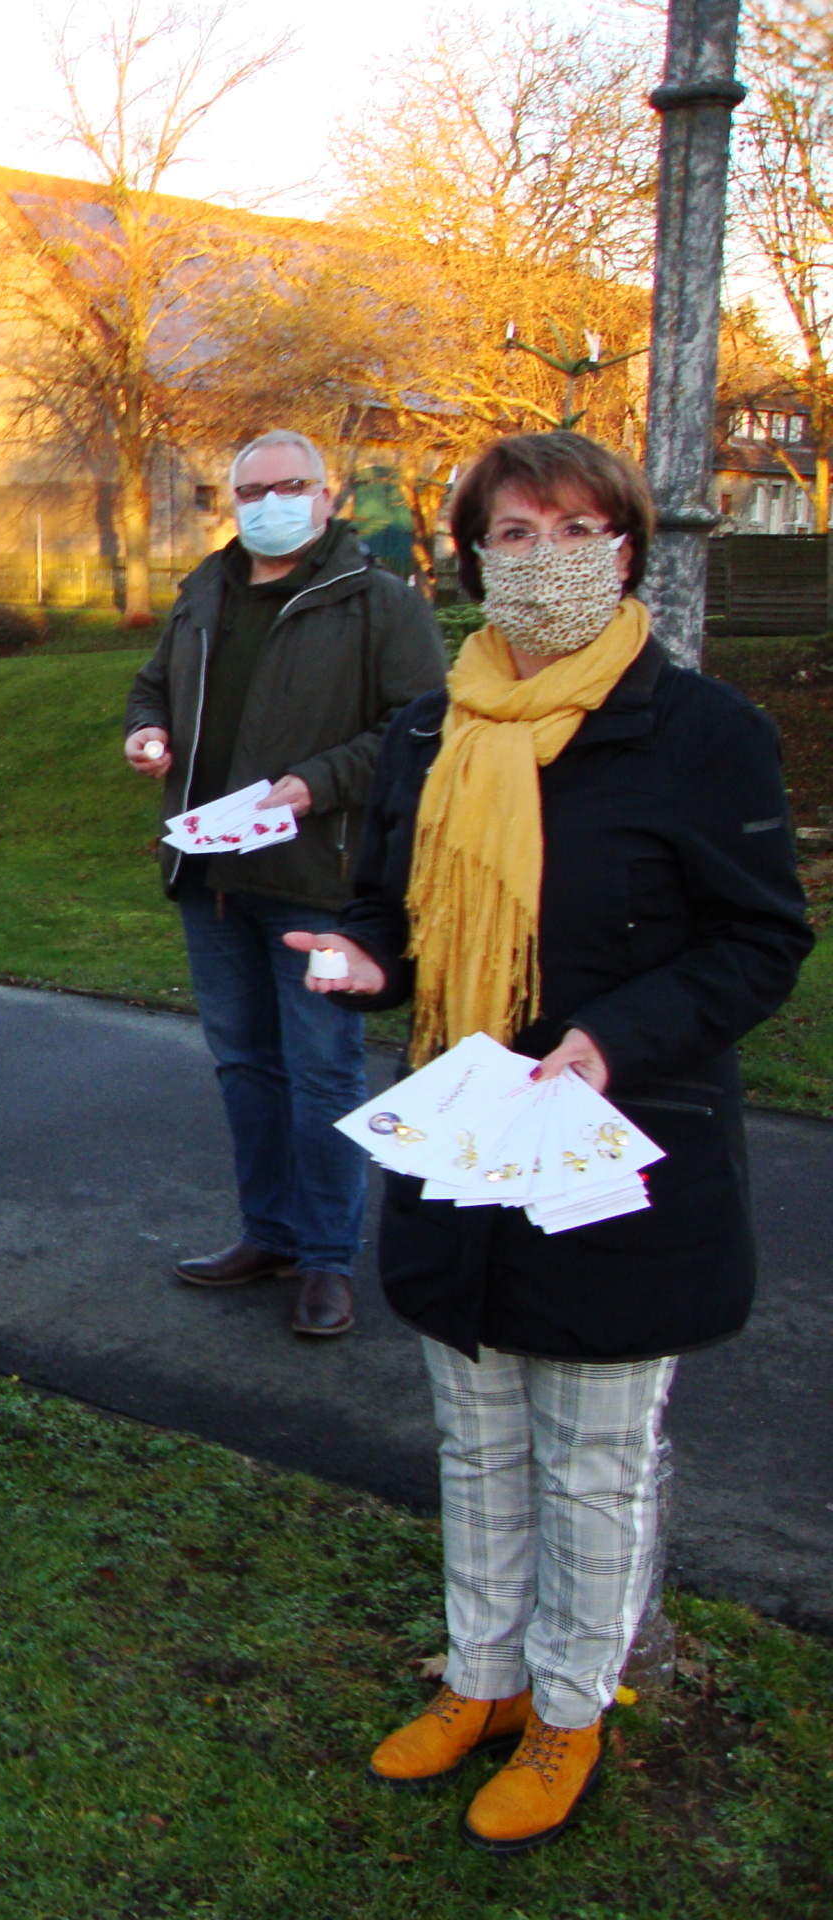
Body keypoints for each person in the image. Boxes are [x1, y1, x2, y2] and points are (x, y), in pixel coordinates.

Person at [302, 432, 811, 1853]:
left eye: (574, 529)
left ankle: (574, 1705)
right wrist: (361, 964)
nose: (542, 559)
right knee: (477, 1440)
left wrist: (611, 1041)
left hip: (613, 1160)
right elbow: (393, 913)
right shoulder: (430, 730)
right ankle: (484, 1676)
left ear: (629, 547)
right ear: (470, 557)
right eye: (510, 535)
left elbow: (762, 942)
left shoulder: (705, 734)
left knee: (591, 1455)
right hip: (464, 1147)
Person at [123, 430, 447, 1336]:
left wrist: (318, 783)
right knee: (245, 1069)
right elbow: (150, 688)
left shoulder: (379, 603)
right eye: (252, 488)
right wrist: (144, 735)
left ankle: (327, 1259)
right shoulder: (203, 596)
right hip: (211, 874)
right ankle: (267, 1231)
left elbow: (420, 728)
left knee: (323, 1072)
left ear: (326, 491)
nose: (270, 501)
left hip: (319, 882)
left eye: (289, 485)